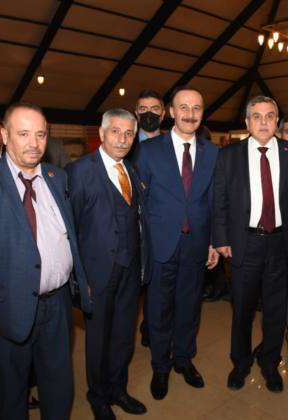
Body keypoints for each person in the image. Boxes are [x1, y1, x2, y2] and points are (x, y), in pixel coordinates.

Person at [0, 102, 92, 420]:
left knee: (59, 385)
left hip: (57, 305)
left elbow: (69, 236)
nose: (34, 143)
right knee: (13, 391)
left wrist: (81, 282)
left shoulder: (57, 177)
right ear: (4, 135)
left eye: (40, 135)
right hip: (8, 308)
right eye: (24, 134)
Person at [213, 96, 288, 393]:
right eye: (256, 116)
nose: (263, 122)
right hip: (244, 242)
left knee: (276, 310)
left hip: (281, 243)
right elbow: (219, 200)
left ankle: (270, 363)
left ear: (277, 121)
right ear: (247, 122)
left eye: (270, 116)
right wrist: (221, 238)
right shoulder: (228, 155)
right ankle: (240, 363)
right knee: (242, 309)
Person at [135, 86, 219, 401]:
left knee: (189, 307)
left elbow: (215, 202)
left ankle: (184, 359)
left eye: (196, 108)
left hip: (196, 244)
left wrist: (214, 241)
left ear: (202, 113)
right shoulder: (149, 150)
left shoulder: (213, 153)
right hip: (160, 245)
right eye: (183, 107)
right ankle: (161, 366)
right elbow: (139, 204)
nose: (190, 114)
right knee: (158, 309)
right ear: (171, 112)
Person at [66, 109, 148, 420]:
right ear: (101, 134)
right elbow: (69, 230)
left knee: (124, 335)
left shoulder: (132, 169)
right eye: (116, 131)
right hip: (97, 273)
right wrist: (79, 278)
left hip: (131, 269)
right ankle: (98, 395)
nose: (123, 139)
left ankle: (118, 388)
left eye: (129, 133)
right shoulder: (79, 171)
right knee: (99, 339)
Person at [132, 89, 165, 346]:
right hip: (131, 228)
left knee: (159, 288)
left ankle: (153, 329)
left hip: (161, 229)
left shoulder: (172, 146)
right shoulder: (125, 143)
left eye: (154, 109)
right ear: (136, 113)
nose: (149, 114)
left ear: (163, 114)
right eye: (143, 109)